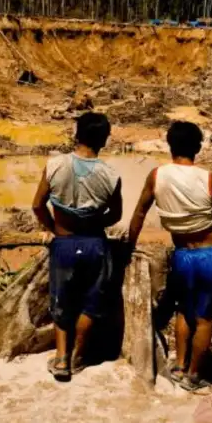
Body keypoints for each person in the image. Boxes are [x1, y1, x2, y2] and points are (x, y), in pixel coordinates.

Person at [128, 121, 212, 391]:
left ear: (170, 145)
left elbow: (139, 214)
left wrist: (129, 246)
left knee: (183, 311)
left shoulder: (156, 176)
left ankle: (178, 365)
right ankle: (194, 374)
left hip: (182, 255)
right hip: (210, 254)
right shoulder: (210, 179)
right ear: (198, 147)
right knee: (205, 318)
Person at [32, 112, 123, 382]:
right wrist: (92, 221)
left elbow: (37, 205)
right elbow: (116, 215)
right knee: (91, 303)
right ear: (104, 139)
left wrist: (53, 227)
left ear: (76, 134)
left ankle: (61, 359)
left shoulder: (55, 165)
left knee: (62, 301)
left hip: (64, 244)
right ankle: (78, 357)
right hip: (95, 245)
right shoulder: (111, 175)